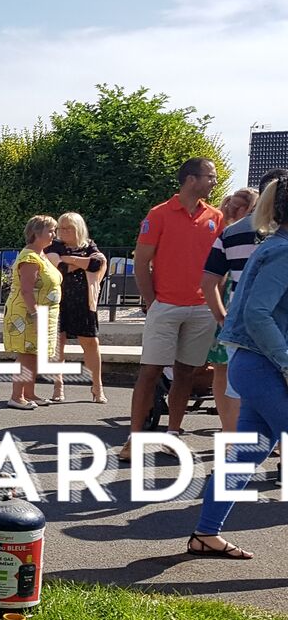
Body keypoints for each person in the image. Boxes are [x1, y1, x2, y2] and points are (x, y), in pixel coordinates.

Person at [187, 173, 288, 560]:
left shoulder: (273, 245)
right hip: (263, 367)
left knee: (246, 455)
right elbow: (258, 314)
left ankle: (205, 535)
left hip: (252, 365)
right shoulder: (282, 251)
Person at [119, 158, 222, 460]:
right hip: (166, 305)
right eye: (210, 176)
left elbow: (220, 264)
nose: (214, 182)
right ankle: (134, 439)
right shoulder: (159, 214)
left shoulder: (216, 216)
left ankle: (173, 436)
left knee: (186, 374)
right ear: (191, 179)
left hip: (201, 308)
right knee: (150, 371)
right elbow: (141, 261)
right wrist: (153, 302)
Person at [201, 179, 281, 431]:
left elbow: (208, 281)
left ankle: (231, 433)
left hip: (236, 316)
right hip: (277, 320)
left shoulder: (230, 233)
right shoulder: (279, 236)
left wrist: (221, 316)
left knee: (232, 379)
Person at [45, 213, 107, 403]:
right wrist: (81, 263)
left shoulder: (89, 245)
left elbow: (97, 264)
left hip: (83, 301)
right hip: (58, 300)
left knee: (91, 343)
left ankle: (97, 386)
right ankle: (58, 385)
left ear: (78, 229)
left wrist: (70, 259)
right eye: (61, 228)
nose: (63, 231)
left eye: (68, 228)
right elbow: (60, 268)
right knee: (58, 343)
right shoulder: (54, 246)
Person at [2, 216, 62, 409]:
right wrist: (36, 315)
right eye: (50, 230)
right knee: (27, 354)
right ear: (36, 232)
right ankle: (16, 396)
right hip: (28, 314)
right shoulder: (30, 257)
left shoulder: (41, 255)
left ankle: (29, 393)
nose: (54, 234)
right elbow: (26, 290)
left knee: (34, 353)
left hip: (43, 313)